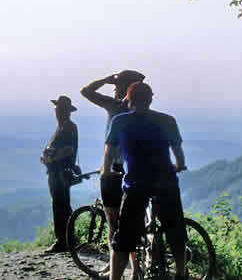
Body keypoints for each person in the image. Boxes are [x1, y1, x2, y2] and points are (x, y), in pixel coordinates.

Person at [100, 82, 189, 280]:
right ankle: (181, 273)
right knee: (175, 230)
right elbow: (178, 152)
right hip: (166, 182)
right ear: (150, 99)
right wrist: (180, 165)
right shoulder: (167, 120)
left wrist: (106, 171)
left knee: (124, 239)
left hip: (136, 185)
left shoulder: (119, 121)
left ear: (129, 100)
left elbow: (109, 150)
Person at [80, 70, 144, 272]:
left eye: (116, 85)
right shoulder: (142, 111)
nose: (113, 88)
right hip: (135, 170)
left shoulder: (114, 106)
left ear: (123, 87)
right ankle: (135, 268)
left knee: (113, 222)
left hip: (112, 171)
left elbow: (86, 91)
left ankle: (114, 263)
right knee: (131, 222)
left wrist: (105, 79)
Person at [41, 96, 78, 254]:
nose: (56, 111)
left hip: (59, 172)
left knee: (59, 205)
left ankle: (62, 241)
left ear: (64, 111)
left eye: (58, 109)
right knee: (62, 204)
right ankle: (68, 239)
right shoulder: (64, 127)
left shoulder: (67, 127)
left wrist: (51, 158)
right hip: (57, 171)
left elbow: (68, 149)